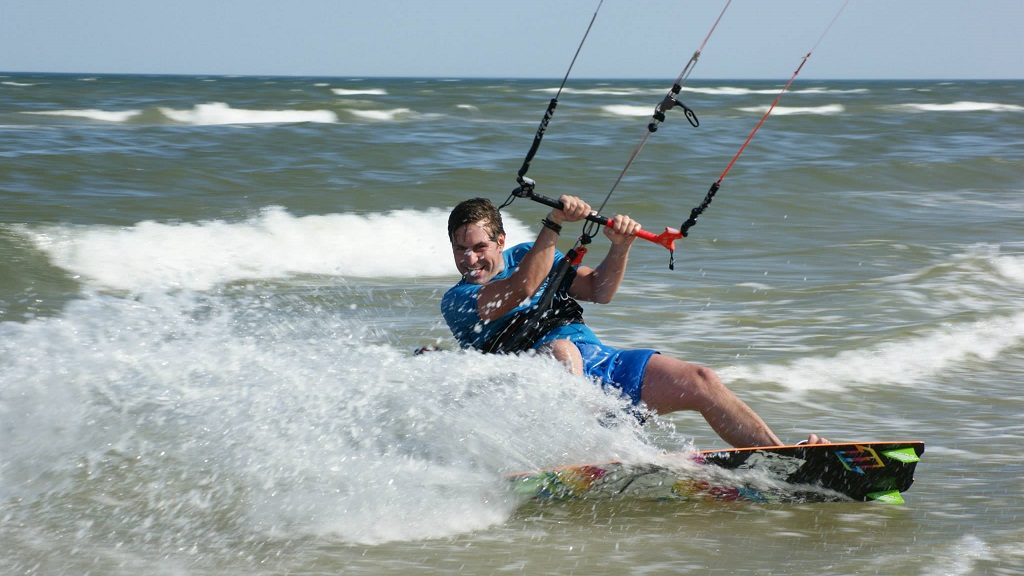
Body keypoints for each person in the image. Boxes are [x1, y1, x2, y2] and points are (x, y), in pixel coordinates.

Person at [441, 195, 828, 448]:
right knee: (561, 352)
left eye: (480, 247)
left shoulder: (530, 252)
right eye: (461, 250)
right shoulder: (457, 300)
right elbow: (523, 287)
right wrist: (555, 221)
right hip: (531, 385)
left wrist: (620, 246)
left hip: (598, 362)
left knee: (701, 380)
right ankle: (589, 449)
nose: (470, 259)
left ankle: (784, 459)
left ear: (501, 241)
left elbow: (598, 290)